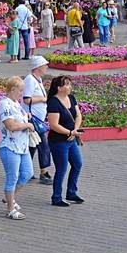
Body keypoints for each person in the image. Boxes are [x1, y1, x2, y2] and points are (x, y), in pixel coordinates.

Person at [0, 76, 34, 220]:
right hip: (9, 146)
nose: (22, 93)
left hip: (22, 146)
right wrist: (27, 125)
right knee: (12, 177)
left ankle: (10, 198)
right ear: (12, 89)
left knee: (27, 174)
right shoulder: (4, 104)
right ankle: (10, 209)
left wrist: (26, 117)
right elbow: (10, 125)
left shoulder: (15, 104)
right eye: (20, 90)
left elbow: (18, 119)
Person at [45, 75, 84, 208]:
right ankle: (56, 197)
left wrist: (75, 130)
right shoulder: (53, 103)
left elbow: (78, 115)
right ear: (59, 88)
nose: (69, 87)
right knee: (61, 169)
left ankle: (71, 192)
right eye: (67, 85)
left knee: (77, 164)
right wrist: (69, 132)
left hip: (71, 139)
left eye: (69, 84)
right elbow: (54, 125)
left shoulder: (71, 98)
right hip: (58, 141)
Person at [22, 56, 52, 184]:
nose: (47, 67)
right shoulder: (30, 80)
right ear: (38, 67)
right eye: (45, 65)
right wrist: (42, 99)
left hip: (37, 118)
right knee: (43, 145)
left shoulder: (37, 79)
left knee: (32, 145)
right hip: (33, 118)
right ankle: (43, 172)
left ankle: (25, 170)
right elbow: (26, 99)